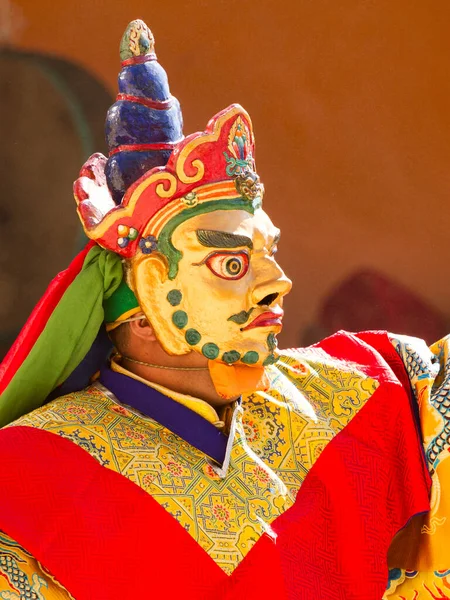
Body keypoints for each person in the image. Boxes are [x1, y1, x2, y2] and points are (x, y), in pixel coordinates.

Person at [0, 19, 448, 600]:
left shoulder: (360, 394)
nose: (278, 284)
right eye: (233, 265)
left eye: (269, 254)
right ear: (150, 298)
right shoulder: (32, 478)